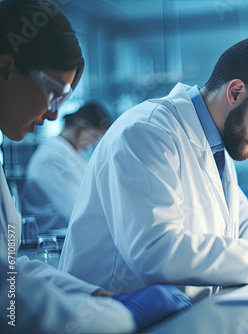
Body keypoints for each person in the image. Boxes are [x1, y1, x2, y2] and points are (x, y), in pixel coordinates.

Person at [59, 34, 248, 301]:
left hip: (180, 313)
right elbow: (156, 252)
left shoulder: (217, 143)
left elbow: (239, 226)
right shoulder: (146, 132)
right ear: (235, 92)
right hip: (114, 317)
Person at [0, 1, 190, 332]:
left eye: (61, 101)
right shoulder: (50, 157)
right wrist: (119, 316)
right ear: (5, 68)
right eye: (52, 93)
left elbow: (12, 271)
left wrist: (99, 297)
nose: (53, 114)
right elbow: (10, 300)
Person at [22, 101, 113, 233]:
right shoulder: (51, 159)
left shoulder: (73, 153)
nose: (93, 143)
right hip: (54, 241)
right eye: (95, 136)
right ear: (81, 127)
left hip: (73, 234)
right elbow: (77, 212)